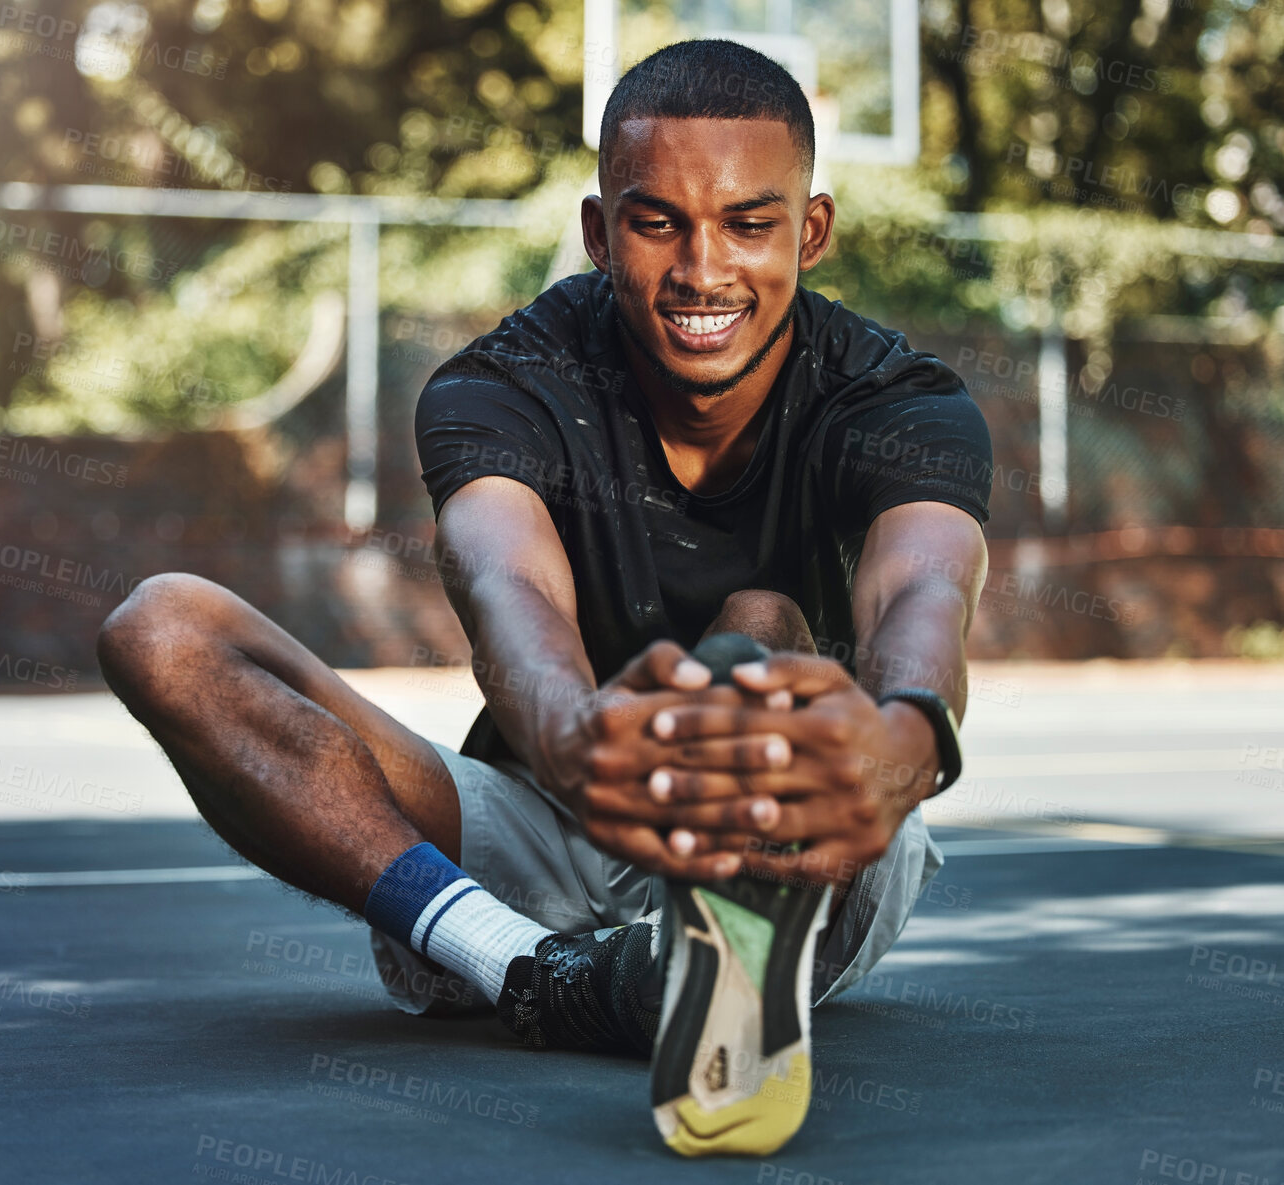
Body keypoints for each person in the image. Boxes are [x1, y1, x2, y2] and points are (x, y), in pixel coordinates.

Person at [97, 38, 991, 1158]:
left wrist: (899, 749)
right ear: (598, 231)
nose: (703, 270)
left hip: (800, 820)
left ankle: (734, 934)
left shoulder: (898, 398)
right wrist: (580, 744)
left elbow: (926, 591)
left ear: (809, 232)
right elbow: (504, 584)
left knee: (756, 631)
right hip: (562, 815)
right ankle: (524, 967)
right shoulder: (505, 383)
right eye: (656, 220)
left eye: (748, 224)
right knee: (163, 629)